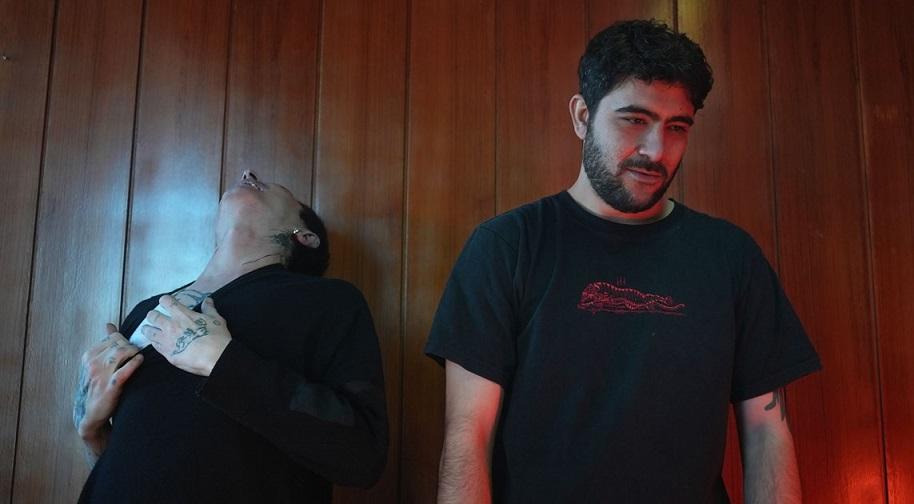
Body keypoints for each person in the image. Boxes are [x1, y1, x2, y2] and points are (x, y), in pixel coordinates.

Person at [425, 19, 821, 503]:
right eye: (634, 120)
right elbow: (468, 435)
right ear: (581, 115)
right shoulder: (506, 246)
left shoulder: (730, 256)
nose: (656, 150)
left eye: (677, 127)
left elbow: (767, 433)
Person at [73, 170, 388, 503]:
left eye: (276, 187)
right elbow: (136, 461)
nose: (247, 173)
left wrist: (223, 361)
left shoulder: (329, 301)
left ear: (305, 236)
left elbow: (363, 456)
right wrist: (93, 432)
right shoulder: (145, 312)